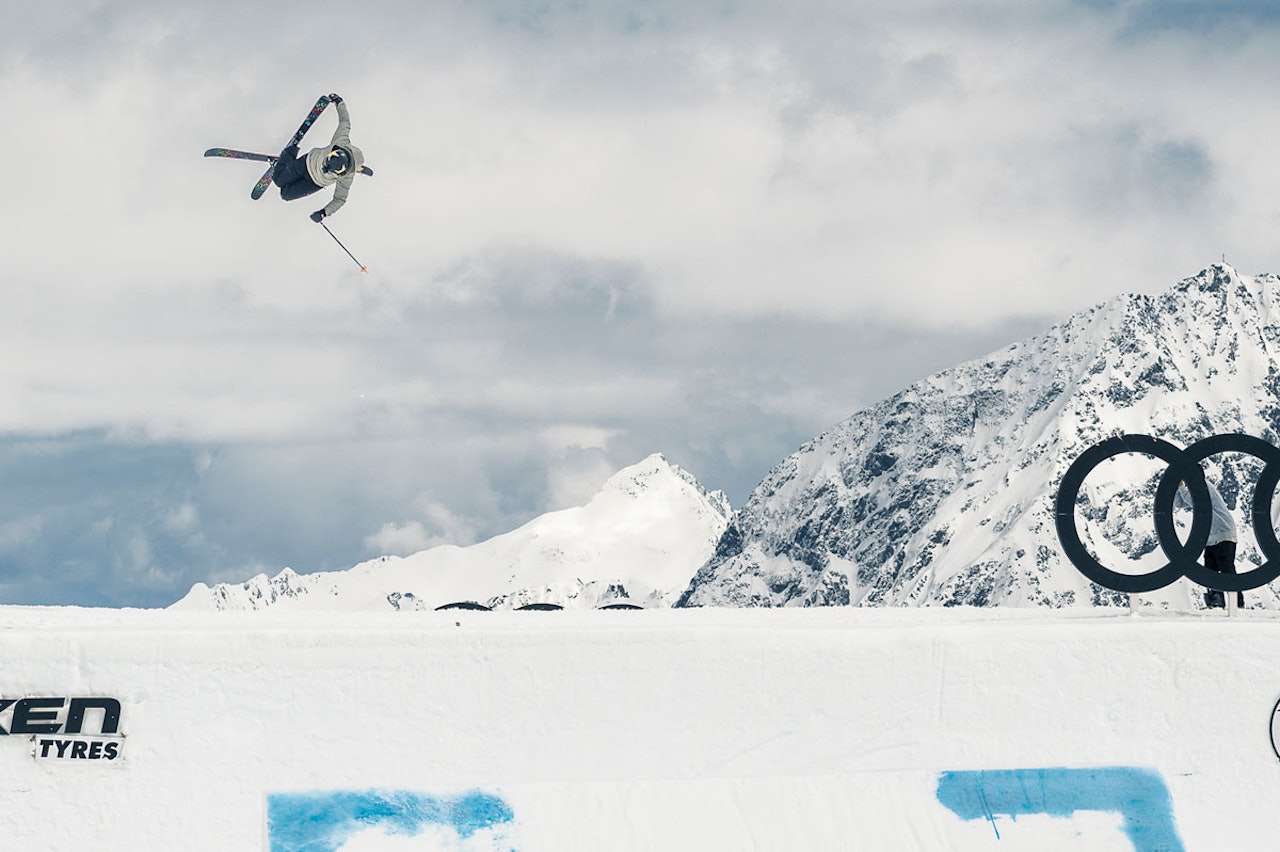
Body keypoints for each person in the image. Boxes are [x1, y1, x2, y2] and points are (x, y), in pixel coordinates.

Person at [272, 93, 365, 223]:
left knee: (285, 195)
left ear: (341, 172)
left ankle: (281, 167)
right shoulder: (340, 141)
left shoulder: (346, 177)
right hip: (307, 163)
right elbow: (345, 121)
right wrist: (339, 103)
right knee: (277, 180)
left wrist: (323, 213)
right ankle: (289, 152)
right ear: (335, 152)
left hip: (314, 183)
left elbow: (340, 199)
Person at [1175, 471, 1242, 609]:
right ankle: (1216, 602)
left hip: (1223, 533)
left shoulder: (1205, 486)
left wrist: (1181, 487)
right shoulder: (1195, 489)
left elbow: (1193, 499)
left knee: (1226, 569)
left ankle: (1237, 603)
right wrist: (1177, 488)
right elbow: (1180, 503)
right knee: (1210, 571)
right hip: (1212, 536)